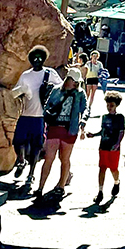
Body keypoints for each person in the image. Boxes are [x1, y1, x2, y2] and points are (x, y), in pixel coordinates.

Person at [11, 46, 62, 187]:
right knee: (17, 141)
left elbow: (61, 89)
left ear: (44, 59)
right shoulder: (26, 75)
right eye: (34, 58)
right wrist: (22, 91)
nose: (37, 60)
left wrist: (50, 90)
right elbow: (15, 92)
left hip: (40, 116)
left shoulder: (49, 73)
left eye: (40, 58)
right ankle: (21, 160)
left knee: (36, 147)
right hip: (25, 114)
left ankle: (31, 174)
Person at [35, 68, 88, 200]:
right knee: (49, 158)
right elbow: (47, 106)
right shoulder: (56, 90)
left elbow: (85, 108)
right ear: (68, 79)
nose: (76, 84)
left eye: (77, 82)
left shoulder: (80, 93)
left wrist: (83, 120)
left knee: (64, 159)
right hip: (55, 127)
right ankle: (40, 187)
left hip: (69, 129)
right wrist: (47, 116)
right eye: (74, 81)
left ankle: (61, 186)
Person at [87, 91, 125, 205]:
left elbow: (121, 132)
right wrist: (93, 135)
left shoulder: (120, 117)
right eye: (108, 105)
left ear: (116, 105)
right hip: (103, 146)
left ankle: (116, 181)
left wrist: (117, 144)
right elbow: (102, 131)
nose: (109, 107)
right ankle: (100, 191)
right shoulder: (104, 117)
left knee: (113, 168)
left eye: (112, 105)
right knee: (102, 168)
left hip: (114, 147)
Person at [83, 50, 105, 116]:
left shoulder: (99, 64)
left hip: (95, 78)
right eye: (93, 56)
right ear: (91, 56)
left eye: (96, 56)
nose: (94, 57)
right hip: (89, 78)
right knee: (87, 93)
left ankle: (89, 106)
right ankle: (85, 105)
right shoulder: (88, 63)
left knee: (93, 93)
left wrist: (101, 75)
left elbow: (102, 71)